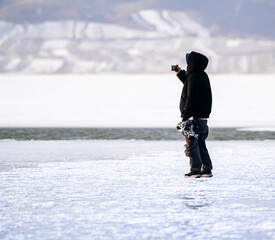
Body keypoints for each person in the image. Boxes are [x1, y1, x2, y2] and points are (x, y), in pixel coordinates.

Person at [175, 51, 213, 178]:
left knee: (192, 143)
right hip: (202, 116)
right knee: (200, 142)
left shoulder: (194, 77)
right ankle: (206, 169)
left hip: (194, 116)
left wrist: (185, 116)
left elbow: (191, 97)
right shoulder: (201, 75)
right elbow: (189, 84)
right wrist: (180, 73)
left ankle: (195, 170)